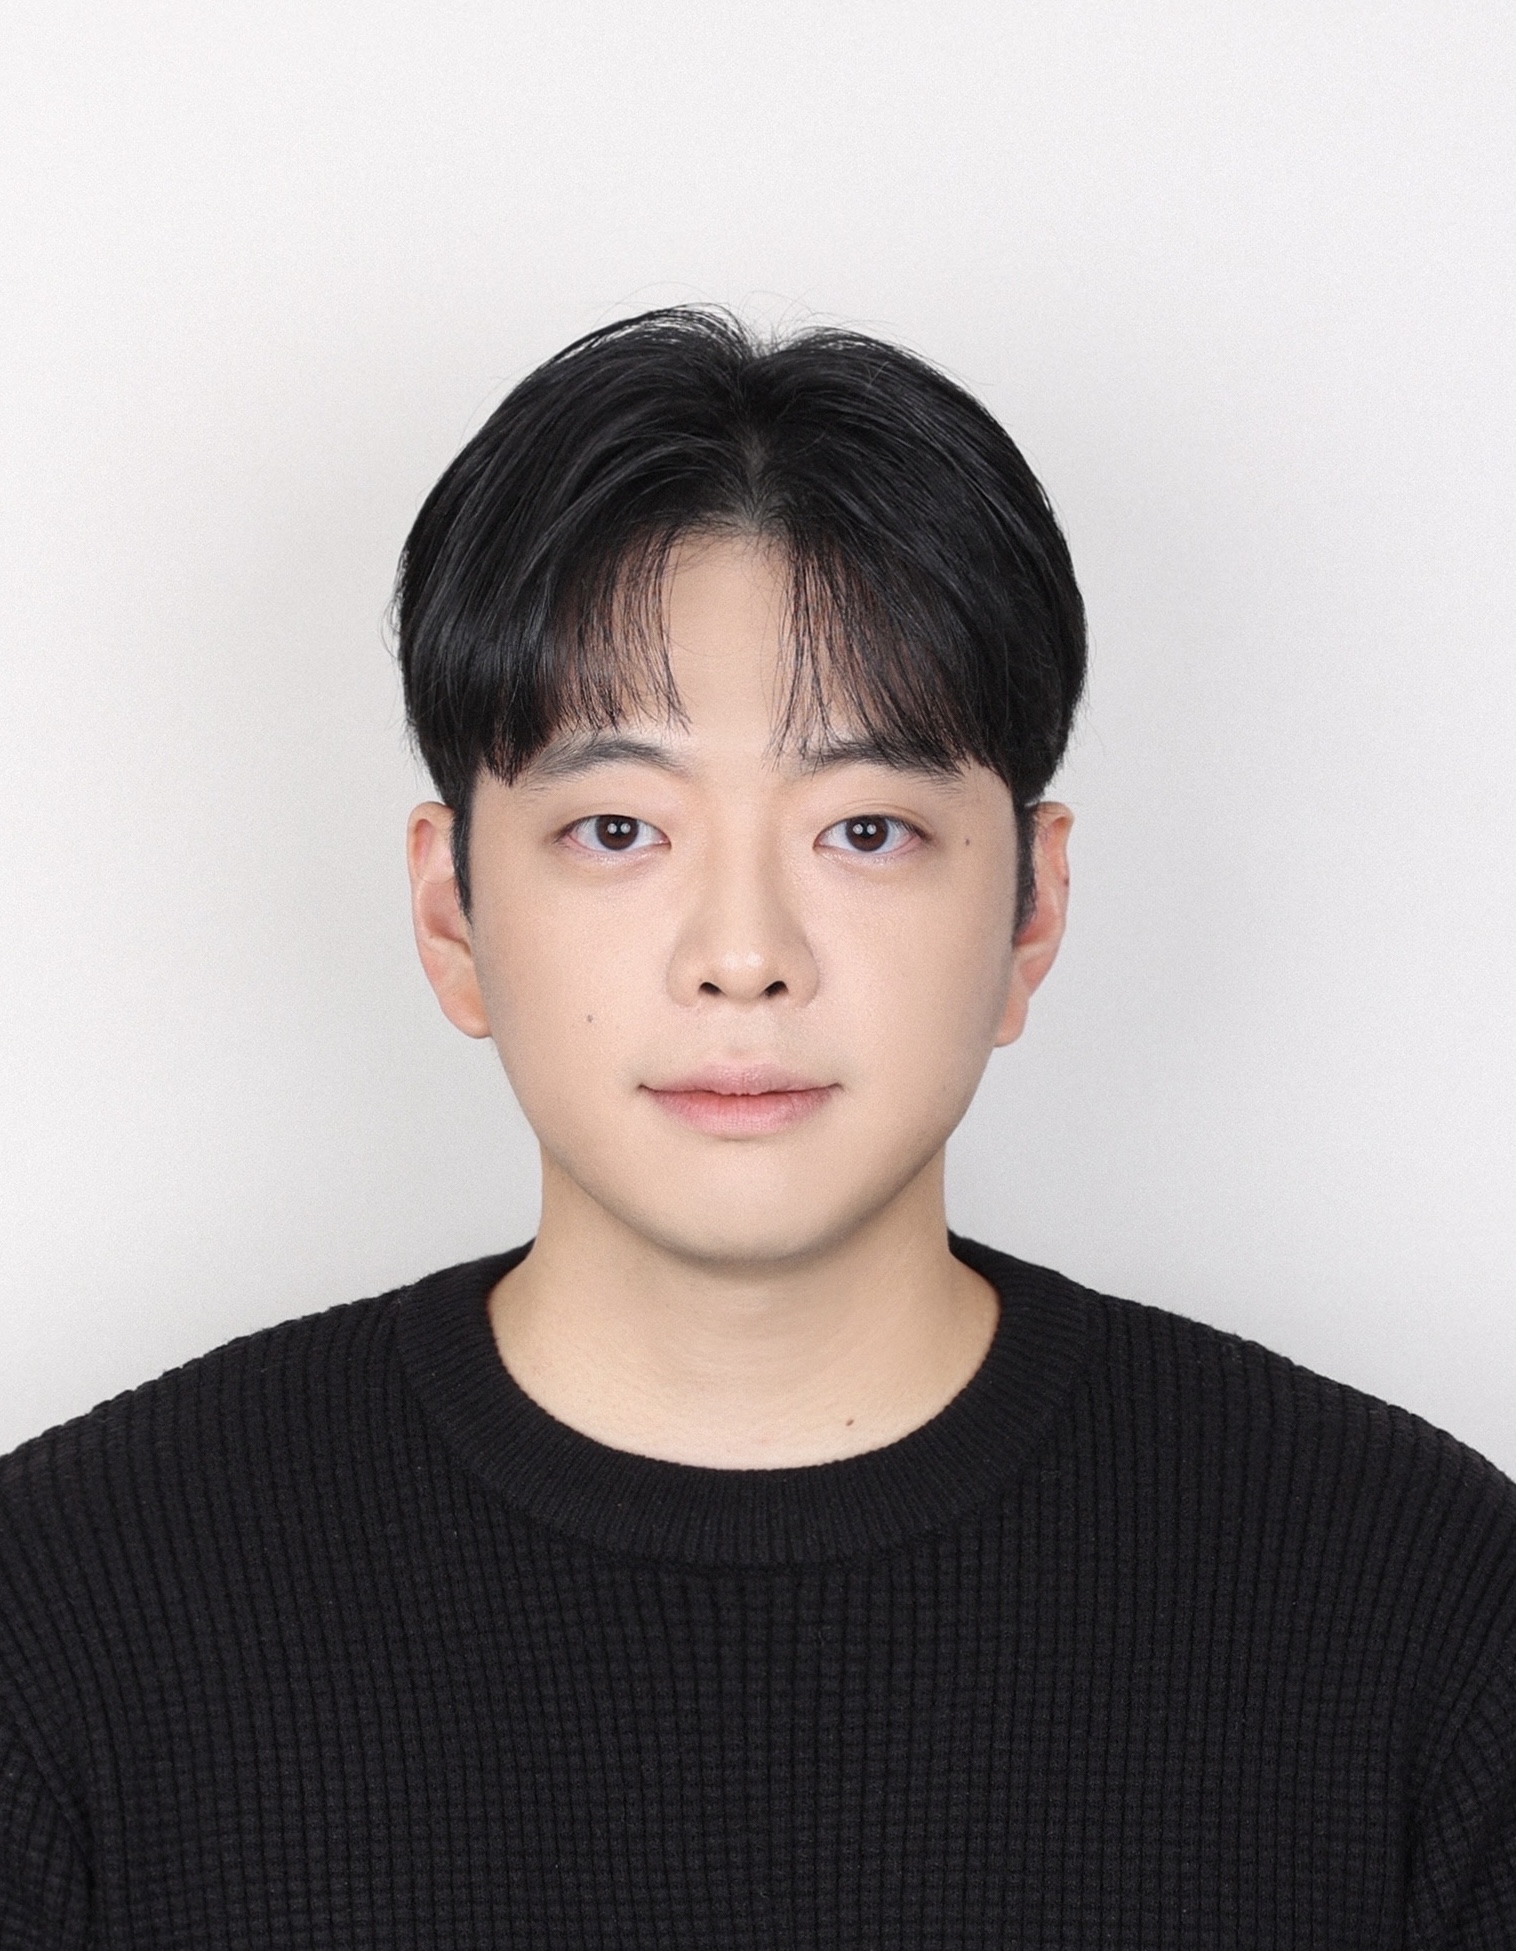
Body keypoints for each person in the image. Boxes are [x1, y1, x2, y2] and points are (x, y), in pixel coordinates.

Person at [1, 309, 1512, 1949]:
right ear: (452, 914)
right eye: (616, 828)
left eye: (865, 830)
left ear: (1031, 909)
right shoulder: (68, 1614)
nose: (743, 954)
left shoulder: (1421, 1609)